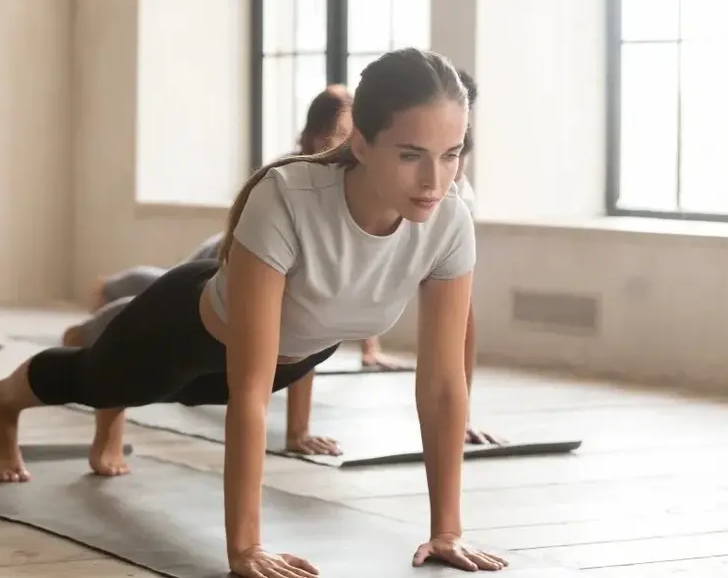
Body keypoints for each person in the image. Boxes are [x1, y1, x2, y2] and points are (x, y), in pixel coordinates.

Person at [0, 47, 507, 575]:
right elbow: (248, 391)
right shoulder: (289, 198)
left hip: (291, 356)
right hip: (185, 332)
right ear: (363, 144)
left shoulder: (449, 223)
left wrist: (447, 533)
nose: (434, 181)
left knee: (130, 388)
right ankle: (2, 403)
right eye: (411, 154)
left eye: (451, 154)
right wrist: (245, 547)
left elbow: (442, 383)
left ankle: (112, 405)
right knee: (94, 379)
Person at [70, 78, 501, 450]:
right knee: (153, 300)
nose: (436, 171)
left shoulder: (447, 202)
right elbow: (307, 309)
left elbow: (363, 292)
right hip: (228, 255)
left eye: (451, 153)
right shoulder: (295, 185)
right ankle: (101, 306)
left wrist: (372, 347)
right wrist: (296, 431)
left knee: (166, 350)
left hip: (267, 287)